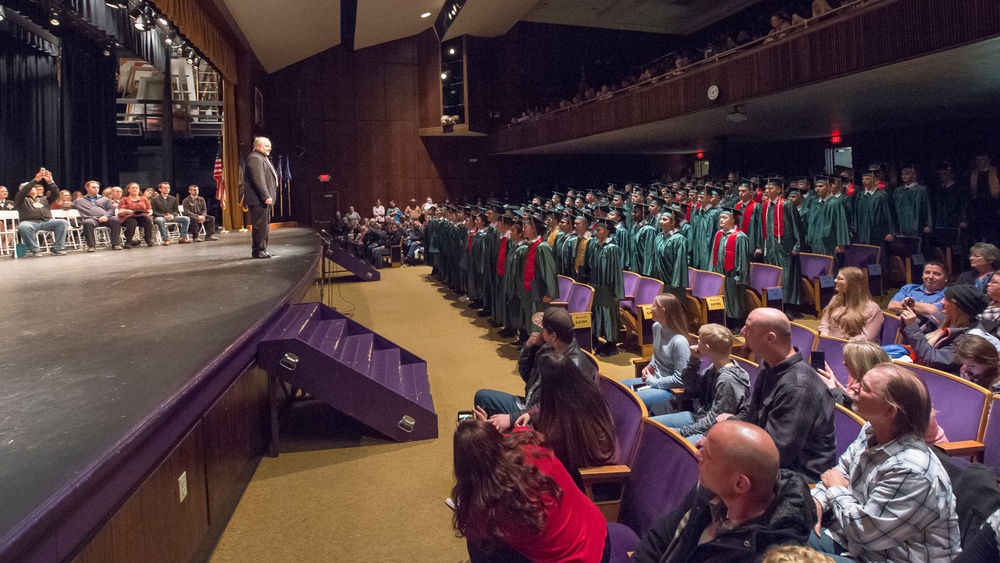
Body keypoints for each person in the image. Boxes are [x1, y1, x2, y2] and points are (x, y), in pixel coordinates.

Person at [810, 363, 961, 562]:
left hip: (886, 556)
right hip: (853, 542)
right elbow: (841, 471)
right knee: (778, 529)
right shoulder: (870, 430)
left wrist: (836, 490)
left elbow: (866, 533)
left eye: (864, 387)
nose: (853, 388)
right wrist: (817, 501)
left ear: (889, 411)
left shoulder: (911, 470)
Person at [631, 421, 814, 563]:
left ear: (740, 484)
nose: (697, 454)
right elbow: (660, 538)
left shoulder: (770, 554)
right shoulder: (709, 492)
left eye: (707, 454)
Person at [452, 420, 609, 563]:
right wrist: (484, 432)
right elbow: (513, 433)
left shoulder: (486, 509)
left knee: (478, 543)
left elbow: (472, 524)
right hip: (599, 535)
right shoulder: (530, 443)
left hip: (579, 559)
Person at [720, 308, 836, 481]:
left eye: (748, 328)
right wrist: (728, 428)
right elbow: (750, 413)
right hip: (764, 456)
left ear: (770, 338)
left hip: (797, 478)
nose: (742, 331)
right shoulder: (768, 365)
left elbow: (778, 453)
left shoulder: (799, 387)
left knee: (716, 473)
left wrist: (729, 430)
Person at [474, 307, 597, 433]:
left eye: (542, 329)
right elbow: (526, 375)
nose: (539, 331)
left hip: (544, 421)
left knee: (490, 429)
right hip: (530, 405)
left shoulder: (572, 367)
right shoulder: (550, 347)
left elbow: (557, 410)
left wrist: (512, 418)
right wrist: (529, 347)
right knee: (482, 398)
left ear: (553, 335)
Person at [652, 323, 750, 444]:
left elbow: (714, 420)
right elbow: (691, 389)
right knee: (652, 427)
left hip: (713, 430)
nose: (696, 343)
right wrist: (693, 361)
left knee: (669, 442)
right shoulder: (714, 367)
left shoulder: (728, 380)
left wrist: (682, 431)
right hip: (697, 416)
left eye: (699, 341)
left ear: (708, 348)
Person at [530, 353, 618, 485]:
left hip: (592, 478)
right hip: (586, 459)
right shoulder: (584, 391)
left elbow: (554, 454)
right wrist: (530, 414)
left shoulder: (566, 417)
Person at [620, 294, 692, 415]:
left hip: (669, 389)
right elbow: (656, 353)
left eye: (654, 306)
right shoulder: (657, 327)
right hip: (653, 380)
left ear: (663, 311)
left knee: (628, 401)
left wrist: (653, 382)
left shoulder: (679, 342)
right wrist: (650, 365)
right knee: (618, 389)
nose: (650, 308)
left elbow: (679, 379)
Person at [900, 284, 988, 372]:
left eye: (947, 300)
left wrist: (912, 326)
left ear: (959, 307)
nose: (941, 302)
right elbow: (911, 339)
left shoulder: (970, 338)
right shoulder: (941, 319)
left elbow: (932, 359)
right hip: (918, 368)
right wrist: (909, 312)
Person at [756, 179, 806, 319]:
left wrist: (797, 244)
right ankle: (776, 305)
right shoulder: (765, 206)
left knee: (787, 276)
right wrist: (761, 245)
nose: (767, 190)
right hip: (770, 246)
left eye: (770, 188)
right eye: (766, 188)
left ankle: (789, 307)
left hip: (785, 246)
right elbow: (762, 227)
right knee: (773, 274)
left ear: (779, 190)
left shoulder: (787, 205)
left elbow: (796, 225)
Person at [815, 341, 890, 408]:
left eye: (849, 361)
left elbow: (848, 412)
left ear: (859, 366)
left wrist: (833, 389)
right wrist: (836, 385)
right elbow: (849, 398)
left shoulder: (873, 395)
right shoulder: (860, 384)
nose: (843, 363)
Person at [588, 218, 624, 357]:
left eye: (599, 230)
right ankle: (601, 341)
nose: (596, 233)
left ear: (607, 231)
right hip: (597, 287)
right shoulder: (597, 246)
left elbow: (616, 271)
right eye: (596, 230)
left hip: (609, 289)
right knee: (598, 314)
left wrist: (617, 292)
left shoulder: (612, 248)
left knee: (609, 316)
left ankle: (611, 345)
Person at [817, 267, 883, 342]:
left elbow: (866, 338)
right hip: (833, 345)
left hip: (856, 349)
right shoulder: (835, 299)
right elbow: (825, 323)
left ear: (852, 283)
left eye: (840, 279)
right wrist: (825, 337)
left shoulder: (872, 308)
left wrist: (841, 344)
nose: (835, 280)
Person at [711, 205, 751, 329]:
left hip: (733, 275)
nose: (721, 220)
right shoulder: (719, 234)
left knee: (734, 300)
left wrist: (740, 276)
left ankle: (736, 324)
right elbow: (714, 254)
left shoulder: (740, 237)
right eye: (720, 218)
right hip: (720, 272)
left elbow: (743, 260)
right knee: (723, 298)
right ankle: (725, 321)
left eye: (724, 217)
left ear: (733, 219)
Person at [14, 168, 68, 256]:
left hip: (47, 221)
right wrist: (35, 180)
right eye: (29, 187)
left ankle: (58, 248)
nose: (32, 188)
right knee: (23, 227)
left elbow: (56, 194)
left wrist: (51, 182)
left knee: (62, 222)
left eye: (33, 187)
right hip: (29, 222)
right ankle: (35, 250)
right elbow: (22, 192)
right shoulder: (21, 199)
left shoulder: (44, 199)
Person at [244, 136, 278, 258]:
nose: (269, 148)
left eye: (270, 146)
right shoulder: (255, 158)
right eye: (266, 146)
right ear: (258, 146)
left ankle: (263, 249)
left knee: (264, 225)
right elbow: (258, 179)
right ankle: (258, 251)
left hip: (262, 199)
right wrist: (266, 195)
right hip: (259, 199)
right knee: (260, 225)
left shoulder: (262, 157)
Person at [71, 180, 123, 251]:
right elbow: (68, 207)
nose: (96, 189)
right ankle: (91, 246)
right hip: (91, 219)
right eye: (93, 187)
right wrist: (65, 205)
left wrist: (105, 216)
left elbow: (111, 210)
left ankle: (115, 244)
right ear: (87, 188)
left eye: (97, 187)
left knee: (115, 221)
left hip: (104, 217)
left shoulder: (104, 199)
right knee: (87, 223)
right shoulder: (79, 201)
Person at [118, 182, 155, 247]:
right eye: (133, 188)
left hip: (141, 216)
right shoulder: (124, 199)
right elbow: (120, 211)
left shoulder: (143, 198)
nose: (135, 189)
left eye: (136, 188)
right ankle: (128, 241)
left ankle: (148, 238)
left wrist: (149, 213)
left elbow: (149, 209)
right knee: (132, 222)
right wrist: (126, 211)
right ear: (128, 190)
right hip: (128, 216)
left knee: (148, 221)